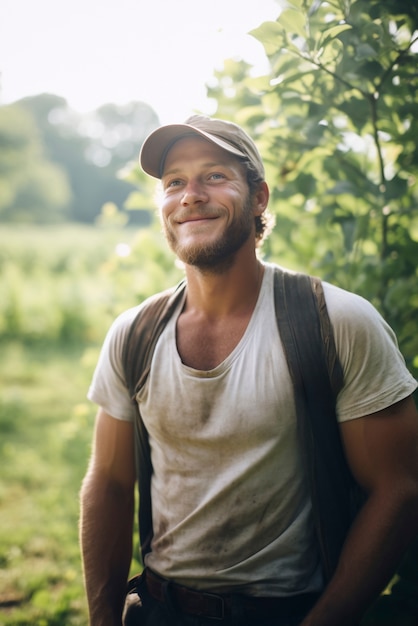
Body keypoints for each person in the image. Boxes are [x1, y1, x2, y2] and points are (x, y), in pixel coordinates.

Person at [79, 115, 418, 626]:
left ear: (259, 198)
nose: (190, 195)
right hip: (158, 612)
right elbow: (107, 480)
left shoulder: (336, 322)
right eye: (174, 182)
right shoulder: (133, 334)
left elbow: (398, 489)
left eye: (214, 175)